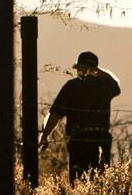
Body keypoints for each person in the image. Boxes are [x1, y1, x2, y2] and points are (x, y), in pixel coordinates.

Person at [40, 50, 121, 185]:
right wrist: (95, 70)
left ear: (79, 68)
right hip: (101, 138)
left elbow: (55, 114)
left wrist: (45, 135)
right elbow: (116, 85)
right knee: (100, 180)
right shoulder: (106, 86)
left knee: (78, 180)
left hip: (79, 139)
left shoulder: (72, 87)